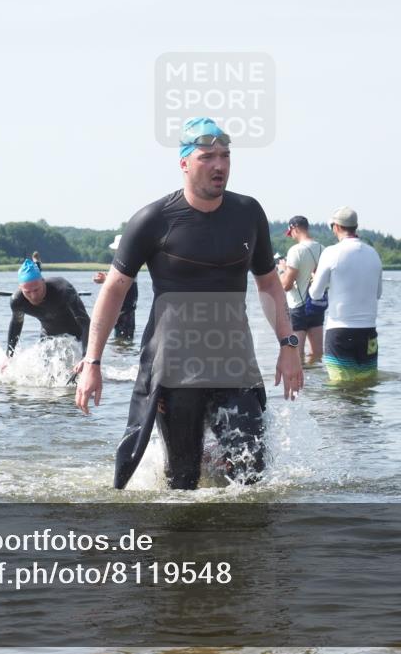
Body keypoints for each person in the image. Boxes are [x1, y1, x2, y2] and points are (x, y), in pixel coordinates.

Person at [74, 116, 303, 490]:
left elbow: (269, 284)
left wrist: (288, 344)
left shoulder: (248, 214)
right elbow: (114, 289)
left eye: (225, 156)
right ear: (183, 163)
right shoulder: (154, 219)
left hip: (235, 363)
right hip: (173, 369)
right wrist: (93, 362)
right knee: (183, 480)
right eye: (207, 157)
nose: (219, 165)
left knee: (252, 474)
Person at [308, 207, 383, 384]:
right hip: (368, 332)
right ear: (355, 227)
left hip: (340, 331)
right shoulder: (374, 254)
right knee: (366, 385)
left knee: (340, 388)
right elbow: (378, 294)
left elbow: (315, 294)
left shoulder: (331, 253)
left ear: (336, 227)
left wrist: (315, 279)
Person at [7, 258, 90, 356]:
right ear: (20, 288)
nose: (33, 296)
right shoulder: (17, 301)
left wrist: (86, 356)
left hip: (77, 338)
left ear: (43, 281)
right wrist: (9, 356)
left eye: (36, 290)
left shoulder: (63, 290)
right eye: (28, 292)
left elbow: (86, 324)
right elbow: (16, 325)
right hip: (48, 340)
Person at [278, 215, 324, 365]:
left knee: (296, 355)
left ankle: (301, 386)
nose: (290, 236)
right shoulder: (322, 249)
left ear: (295, 229)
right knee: (317, 354)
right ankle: (315, 385)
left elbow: (286, 285)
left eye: (290, 232)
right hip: (316, 306)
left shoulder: (295, 251)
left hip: (298, 307)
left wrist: (281, 270)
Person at [93, 234, 139, 340]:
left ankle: (121, 355)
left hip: (125, 310)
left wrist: (104, 279)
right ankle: (122, 355)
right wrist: (105, 277)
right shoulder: (124, 261)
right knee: (122, 339)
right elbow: (117, 278)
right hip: (123, 309)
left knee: (122, 339)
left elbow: (121, 280)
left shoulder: (128, 261)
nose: (116, 252)